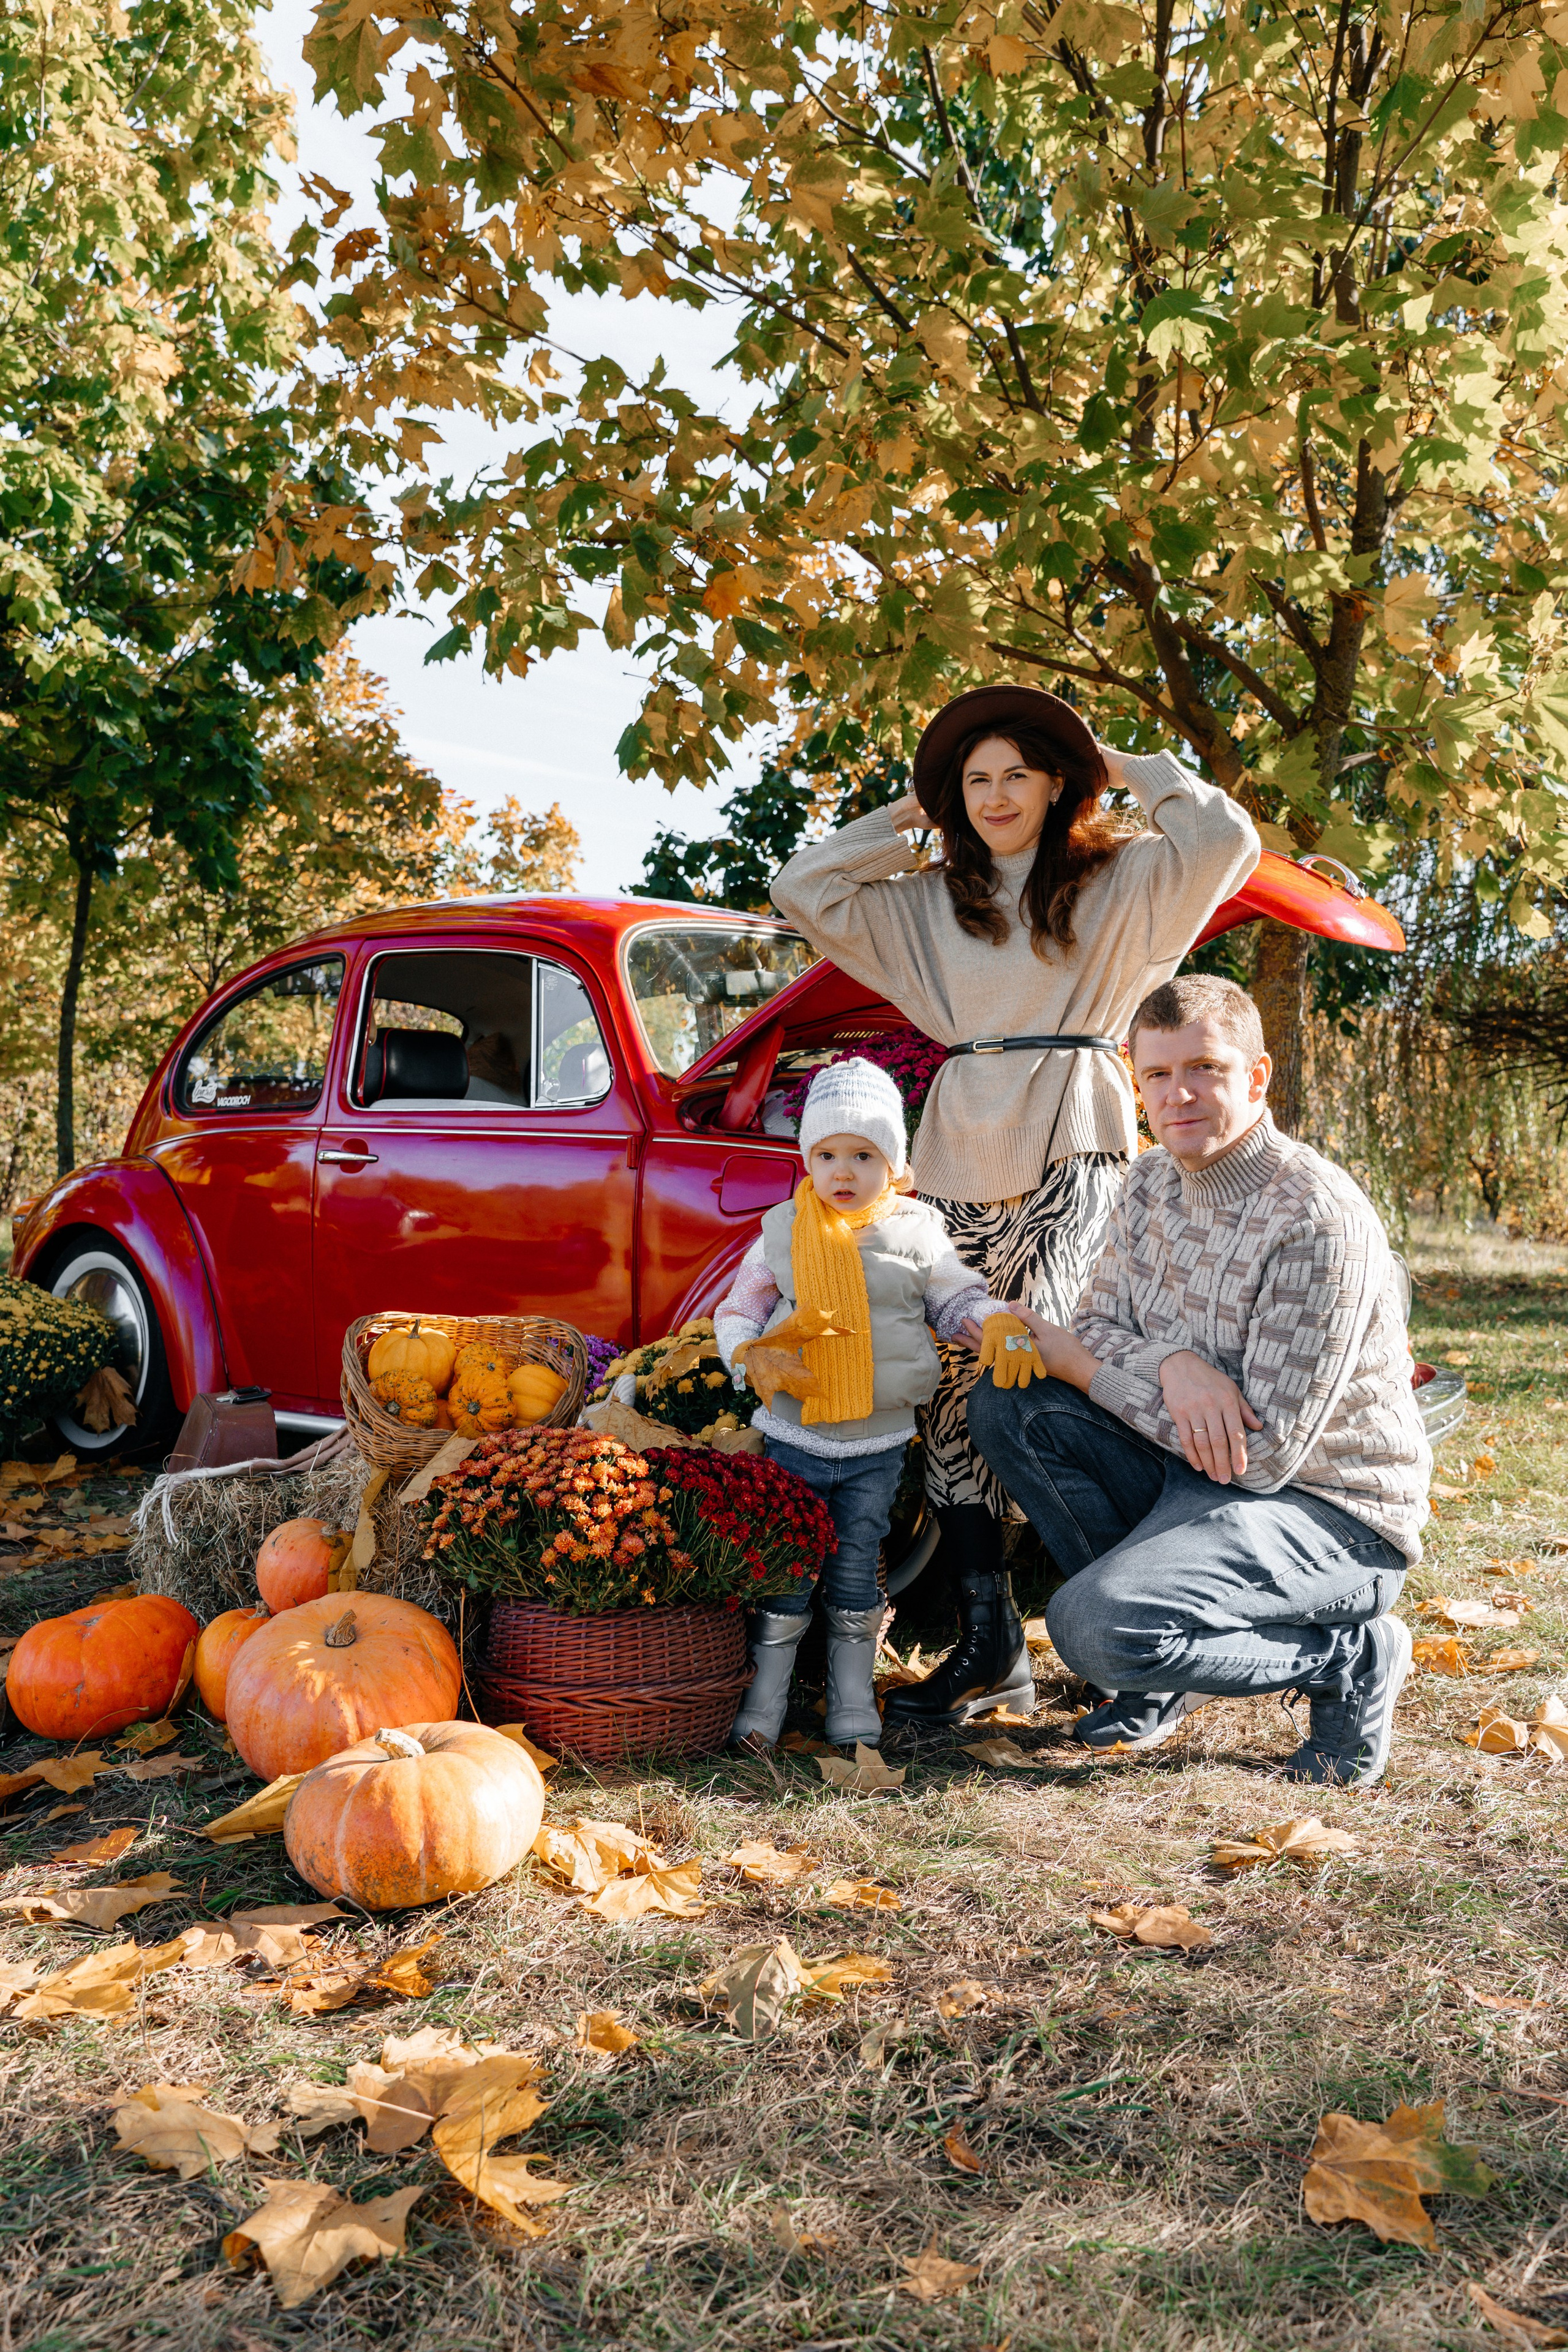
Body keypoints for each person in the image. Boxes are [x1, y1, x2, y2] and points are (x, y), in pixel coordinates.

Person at [771, 684, 1259, 1728]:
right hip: (957, 1138)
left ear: (1055, 786)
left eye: (1017, 776)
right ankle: (991, 1646)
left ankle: (1140, 1633)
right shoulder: (929, 901)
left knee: (1041, 1358)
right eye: (975, 780)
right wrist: (904, 816)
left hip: (1074, 1131)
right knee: (951, 1384)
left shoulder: (1125, 878)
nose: (995, 797)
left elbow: (1226, 841)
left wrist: (1128, 769)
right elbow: (800, 885)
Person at [966, 973, 1431, 1787]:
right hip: (1198, 1470)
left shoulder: (1315, 1218)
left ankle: (1350, 1656)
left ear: (1256, 1078)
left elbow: (1264, 1457)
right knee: (1015, 1402)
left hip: (1329, 1512)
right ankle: (1159, 1675)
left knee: (1094, 1628)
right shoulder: (1149, 1182)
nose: (1177, 1093)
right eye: (1156, 1074)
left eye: (1204, 1068)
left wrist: (1093, 1370)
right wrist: (1173, 1366)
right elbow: (1098, 1324)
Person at [713, 1059, 1012, 1751]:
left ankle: (850, 1693)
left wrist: (991, 1321)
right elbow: (740, 1308)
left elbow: (953, 1300)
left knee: (855, 1562)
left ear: (895, 1165)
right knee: (790, 1566)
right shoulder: (783, 1229)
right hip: (795, 1434)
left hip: (877, 1443)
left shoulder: (918, 1231)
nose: (842, 1171)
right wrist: (747, 1353)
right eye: (826, 1155)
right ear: (807, 1160)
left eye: (863, 1155)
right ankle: (766, 1695)